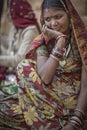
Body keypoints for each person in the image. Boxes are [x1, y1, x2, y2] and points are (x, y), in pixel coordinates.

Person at [5, 0, 87, 129]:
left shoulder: (82, 41)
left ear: (69, 14)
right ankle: (53, 119)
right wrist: (60, 41)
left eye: (58, 17)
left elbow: (86, 86)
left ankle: (56, 122)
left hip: (74, 102)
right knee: (5, 108)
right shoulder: (43, 41)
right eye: (48, 19)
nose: (53, 23)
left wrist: (75, 121)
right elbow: (45, 78)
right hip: (47, 95)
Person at [0, 0, 40, 94]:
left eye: (10, 10)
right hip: (12, 71)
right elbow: (10, 51)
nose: (8, 14)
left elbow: (19, 59)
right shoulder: (15, 27)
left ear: (16, 10)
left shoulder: (30, 31)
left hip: (24, 75)